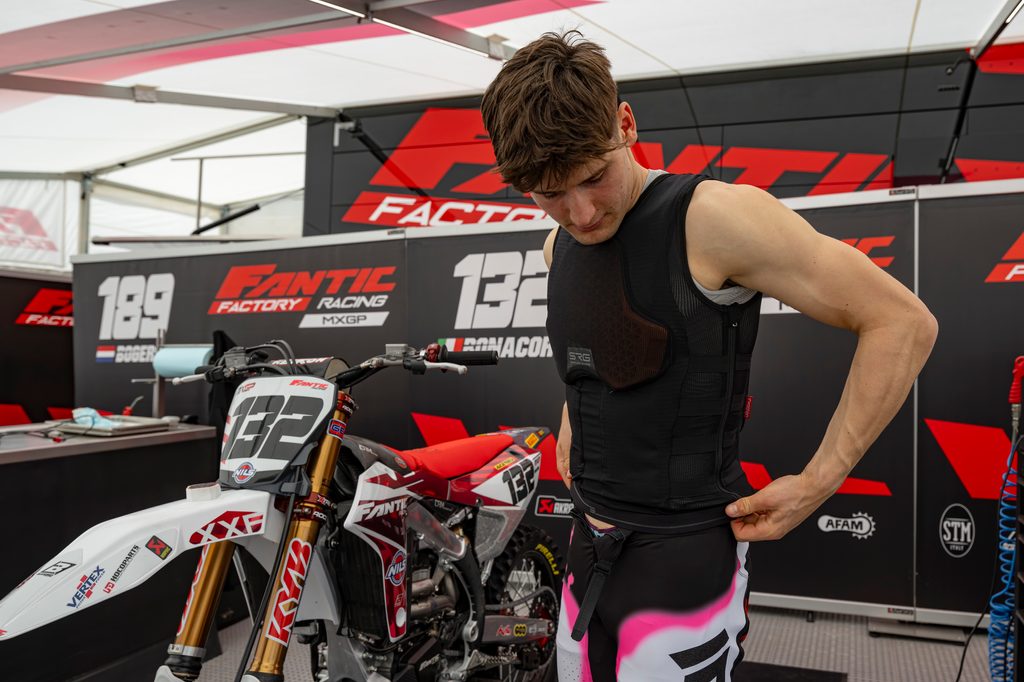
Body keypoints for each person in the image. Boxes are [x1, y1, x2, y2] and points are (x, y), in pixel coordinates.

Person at [480, 31, 937, 682]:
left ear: (626, 123)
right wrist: (572, 419)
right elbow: (600, 355)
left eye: (594, 177)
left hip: (685, 563)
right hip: (589, 546)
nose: (579, 213)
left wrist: (819, 482)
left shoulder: (712, 219)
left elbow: (902, 322)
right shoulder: (560, 247)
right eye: (549, 194)